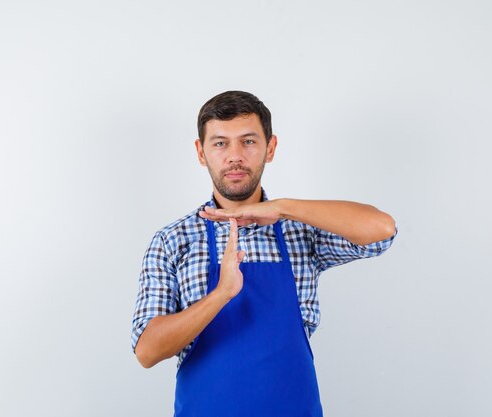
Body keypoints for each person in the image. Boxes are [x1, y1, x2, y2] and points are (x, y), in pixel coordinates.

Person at [131, 90, 397, 416]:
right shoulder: (173, 240)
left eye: (248, 141)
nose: (234, 156)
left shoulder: (300, 230)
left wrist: (282, 208)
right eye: (220, 143)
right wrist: (221, 294)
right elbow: (147, 351)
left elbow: (382, 231)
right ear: (201, 152)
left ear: (270, 148)